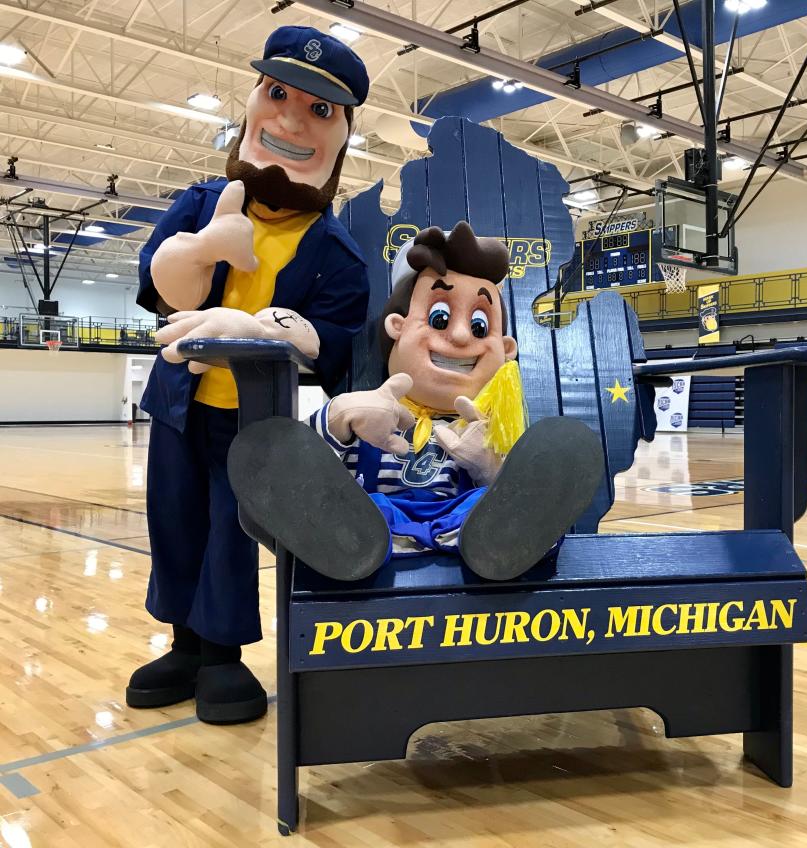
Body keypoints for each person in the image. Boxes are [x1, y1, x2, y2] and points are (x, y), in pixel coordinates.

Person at [126, 26, 371, 724]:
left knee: (233, 534)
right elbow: (156, 286)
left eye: (320, 110)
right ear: (253, 103)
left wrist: (279, 329)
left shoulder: (336, 250)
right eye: (279, 94)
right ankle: (183, 645)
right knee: (173, 522)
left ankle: (224, 654)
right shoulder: (201, 203)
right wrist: (204, 250)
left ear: (341, 134)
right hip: (179, 401)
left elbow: (335, 346)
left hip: (254, 422)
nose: (293, 118)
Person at [228, 222, 604, 583]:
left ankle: (502, 546)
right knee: (321, 484)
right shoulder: (367, 409)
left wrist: (488, 466)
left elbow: (512, 489)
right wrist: (338, 418)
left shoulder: (490, 424)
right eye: (439, 317)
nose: (460, 335)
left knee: (502, 500)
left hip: (467, 532)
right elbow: (300, 466)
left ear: (505, 350)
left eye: (479, 327)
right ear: (397, 326)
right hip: (370, 527)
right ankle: (352, 546)